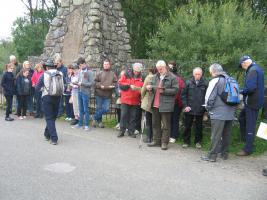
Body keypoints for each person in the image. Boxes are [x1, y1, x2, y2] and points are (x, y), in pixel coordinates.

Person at [201, 63, 236, 162]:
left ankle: (212, 156)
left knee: (215, 135)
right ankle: (224, 154)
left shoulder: (215, 80)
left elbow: (209, 97)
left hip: (218, 112)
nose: (211, 73)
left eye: (210, 72)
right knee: (226, 135)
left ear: (214, 71)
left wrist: (208, 108)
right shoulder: (231, 79)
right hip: (230, 112)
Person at [146, 60, 178, 150]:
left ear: (165, 67)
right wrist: (149, 87)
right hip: (155, 104)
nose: (159, 71)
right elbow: (151, 85)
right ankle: (156, 141)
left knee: (166, 125)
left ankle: (164, 143)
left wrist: (164, 91)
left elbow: (175, 90)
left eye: (161, 69)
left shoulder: (172, 77)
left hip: (166, 105)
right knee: (155, 124)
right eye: (158, 69)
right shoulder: (155, 76)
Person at [237, 55, 264, 156]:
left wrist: (241, 91)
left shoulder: (252, 70)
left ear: (244, 63)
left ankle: (248, 149)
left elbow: (251, 88)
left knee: (250, 125)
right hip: (254, 101)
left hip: (252, 102)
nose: (242, 67)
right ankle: (246, 140)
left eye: (242, 65)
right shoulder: (257, 68)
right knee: (242, 118)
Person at [35, 59, 64, 145]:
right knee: (53, 117)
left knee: (49, 118)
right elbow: (64, 83)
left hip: (47, 97)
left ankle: (54, 138)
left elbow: (37, 88)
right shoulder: (60, 73)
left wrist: (43, 89)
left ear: (46, 67)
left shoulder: (44, 74)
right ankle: (47, 134)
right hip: (58, 96)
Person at [181, 67, 207, 149]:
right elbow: (183, 95)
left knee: (199, 127)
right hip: (189, 108)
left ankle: (198, 142)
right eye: (196, 74)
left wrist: (205, 108)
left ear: (201, 74)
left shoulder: (205, 83)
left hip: (200, 109)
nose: (197, 76)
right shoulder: (188, 82)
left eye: (199, 74)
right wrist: (185, 106)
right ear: (193, 74)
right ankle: (186, 141)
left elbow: (208, 96)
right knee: (187, 126)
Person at [117, 63, 144, 138]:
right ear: (133, 69)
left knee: (133, 117)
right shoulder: (126, 74)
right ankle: (121, 131)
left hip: (135, 100)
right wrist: (129, 86)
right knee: (124, 115)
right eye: (135, 71)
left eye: (138, 71)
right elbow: (120, 84)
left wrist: (138, 89)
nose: (136, 72)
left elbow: (143, 88)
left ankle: (131, 131)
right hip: (125, 99)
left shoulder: (142, 77)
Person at [92, 59, 117, 128]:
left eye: (107, 64)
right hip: (99, 94)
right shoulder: (99, 73)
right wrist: (100, 86)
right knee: (99, 108)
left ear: (109, 65)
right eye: (104, 64)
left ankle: (94, 117)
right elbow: (94, 82)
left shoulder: (113, 74)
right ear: (103, 65)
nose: (106, 65)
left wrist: (112, 85)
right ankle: (99, 122)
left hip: (108, 95)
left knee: (106, 109)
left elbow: (116, 83)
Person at [71, 57, 94, 131]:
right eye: (79, 66)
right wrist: (76, 83)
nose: (80, 67)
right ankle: (80, 124)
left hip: (85, 93)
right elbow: (79, 81)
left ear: (84, 63)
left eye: (81, 65)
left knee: (86, 109)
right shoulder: (80, 71)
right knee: (80, 109)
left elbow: (91, 83)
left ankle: (87, 125)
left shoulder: (89, 72)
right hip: (79, 91)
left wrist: (82, 83)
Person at [168, 61, 185, 143]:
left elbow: (180, 91)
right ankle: (170, 134)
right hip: (169, 102)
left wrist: (178, 102)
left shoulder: (178, 79)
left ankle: (174, 135)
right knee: (169, 119)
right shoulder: (168, 77)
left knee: (174, 119)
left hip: (176, 102)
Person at [141, 66, 156, 143]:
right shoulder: (158, 77)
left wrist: (142, 98)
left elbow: (143, 90)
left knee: (148, 120)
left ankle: (148, 137)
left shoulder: (148, 77)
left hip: (148, 101)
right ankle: (153, 137)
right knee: (155, 121)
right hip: (156, 102)